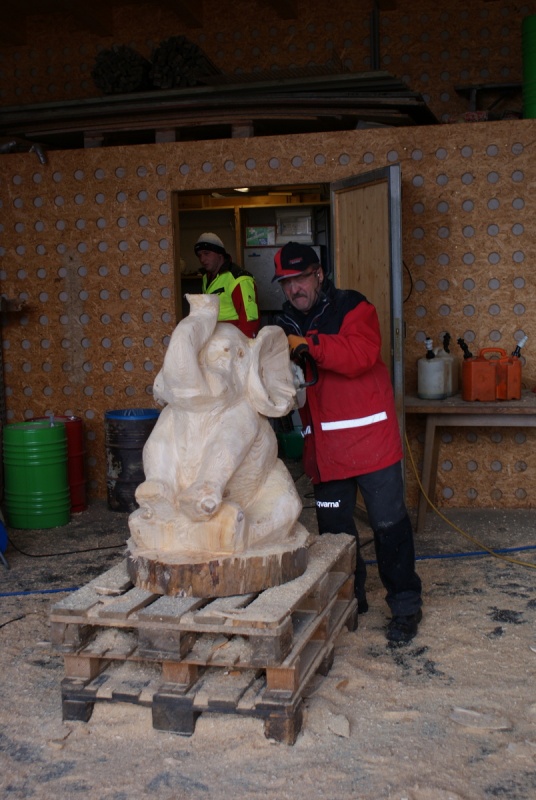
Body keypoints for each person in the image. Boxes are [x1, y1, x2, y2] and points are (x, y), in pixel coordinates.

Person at [273, 241, 422, 644]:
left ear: (319, 275)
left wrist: (310, 347)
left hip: (371, 442)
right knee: (336, 537)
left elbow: (362, 353)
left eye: (301, 279)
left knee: (389, 527)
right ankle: (349, 600)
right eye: (286, 282)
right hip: (326, 451)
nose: (294, 289)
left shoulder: (353, 307)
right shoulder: (284, 324)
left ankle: (405, 605)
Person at [194, 232, 260, 338]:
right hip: (214, 339)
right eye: (199, 255)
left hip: (233, 340)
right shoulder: (206, 278)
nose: (202, 259)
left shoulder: (239, 278)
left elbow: (250, 320)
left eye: (206, 253)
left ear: (220, 254)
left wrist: (245, 345)